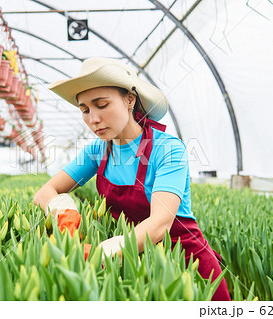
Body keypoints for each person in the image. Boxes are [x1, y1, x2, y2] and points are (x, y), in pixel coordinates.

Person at [33, 57, 231, 301]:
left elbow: (159, 225)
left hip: (186, 264)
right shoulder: (98, 150)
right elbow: (44, 193)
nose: (93, 119)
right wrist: (63, 212)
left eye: (102, 104)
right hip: (134, 265)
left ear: (130, 99)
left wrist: (104, 252)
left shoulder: (167, 149)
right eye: (85, 110)